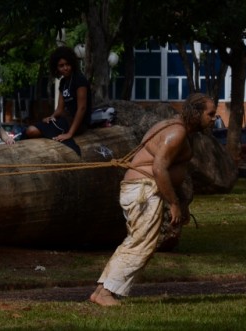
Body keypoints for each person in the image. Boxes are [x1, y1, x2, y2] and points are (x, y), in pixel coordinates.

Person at [89, 93, 217, 307]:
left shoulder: (180, 130)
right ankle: (105, 292)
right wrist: (174, 204)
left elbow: (172, 172)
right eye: (210, 114)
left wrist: (181, 203)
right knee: (141, 242)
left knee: (139, 241)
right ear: (196, 113)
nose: (214, 118)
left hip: (144, 189)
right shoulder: (176, 132)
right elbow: (159, 168)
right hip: (142, 190)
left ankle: (103, 290)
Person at [25, 46, 92, 155]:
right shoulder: (63, 82)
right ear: (56, 68)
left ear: (72, 63)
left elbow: (82, 108)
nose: (65, 68)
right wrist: (52, 117)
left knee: (31, 131)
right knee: (32, 129)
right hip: (65, 120)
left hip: (78, 124)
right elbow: (59, 109)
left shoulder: (79, 79)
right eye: (61, 66)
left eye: (68, 64)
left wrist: (70, 133)